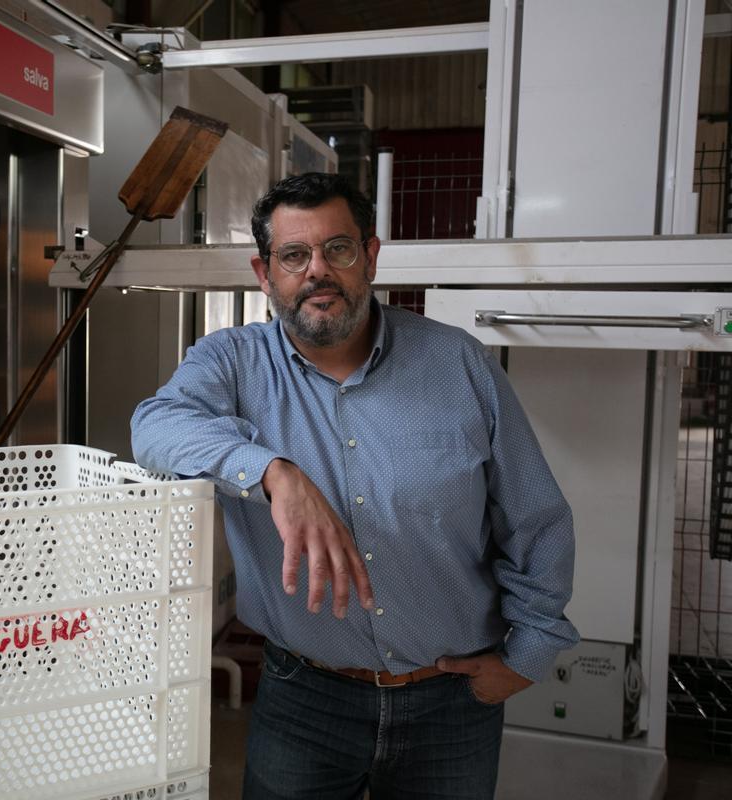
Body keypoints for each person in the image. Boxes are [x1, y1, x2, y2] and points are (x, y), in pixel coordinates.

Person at [130, 172, 578, 799]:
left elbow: (535, 518)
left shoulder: (459, 364)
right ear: (265, 274)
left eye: (337, 248)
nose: (317, 270)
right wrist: (273, 472)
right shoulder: (230, 362)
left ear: (369, 256)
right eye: (294, 255)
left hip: (451, 703)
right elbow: (154, 427)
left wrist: (526, 656)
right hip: (303, 700)